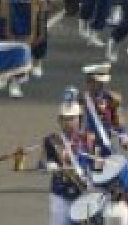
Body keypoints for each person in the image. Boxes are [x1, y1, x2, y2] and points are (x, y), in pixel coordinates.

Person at [41, 91, 94, 225]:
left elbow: (97, 165)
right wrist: (49, 165)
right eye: (64, 118)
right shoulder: (52, 140)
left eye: (72, 118)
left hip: (83, 191)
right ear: (59, 120)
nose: (68, 122)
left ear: (79, 119)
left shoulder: (88, 139)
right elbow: (42, 162)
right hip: (60, 193)